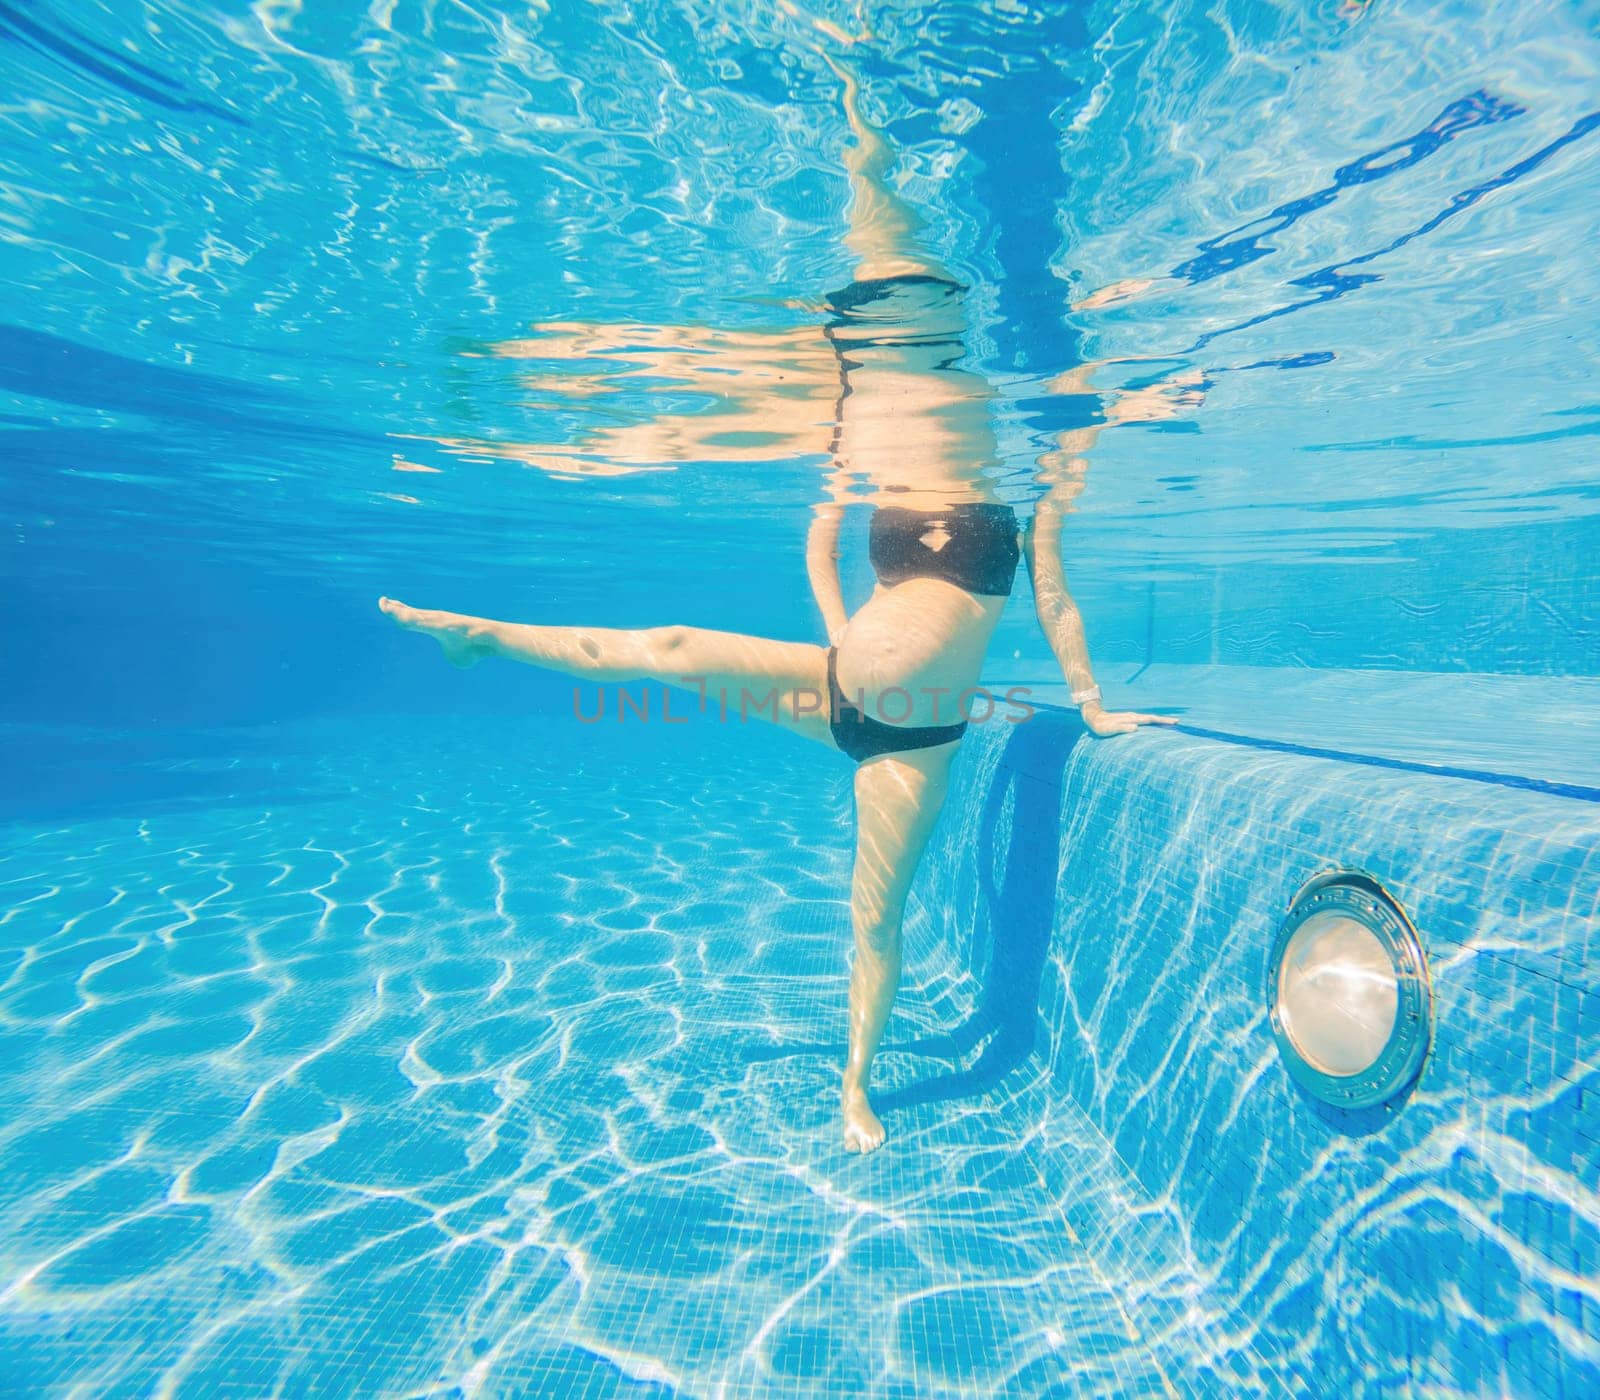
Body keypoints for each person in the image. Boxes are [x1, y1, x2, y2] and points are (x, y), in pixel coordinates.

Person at [380, 49, 1194, 1154]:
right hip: (835, 683)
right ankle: (480, 635)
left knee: (875, 914)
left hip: (911, 737)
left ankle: (853, 1082)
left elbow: (1053, 603)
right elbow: (819, 538)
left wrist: (1093, 707)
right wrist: (835, 633)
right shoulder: (873, 460)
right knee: (663, 641)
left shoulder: (1029, 488)